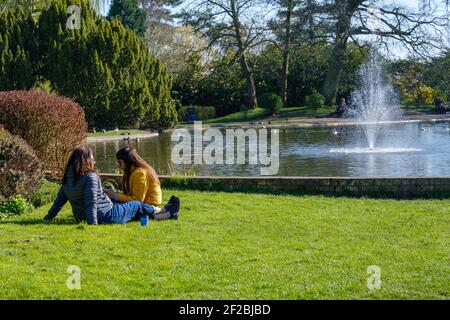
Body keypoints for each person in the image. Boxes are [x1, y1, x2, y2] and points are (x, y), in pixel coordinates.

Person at [44, 147, 179, 225]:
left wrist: (48, 218)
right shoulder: (91, 177)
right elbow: (92, 203)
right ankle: (164, 211)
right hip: (107, 215)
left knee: (131, 210)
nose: (94, 161)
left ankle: (167, 214)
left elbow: (58, 202)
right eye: (92, 158)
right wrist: (93, 224)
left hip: (81, 217)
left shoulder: (68, 178)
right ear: (86, 161)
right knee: (136, 206)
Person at [104, 146, 180, 220]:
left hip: (148, 204)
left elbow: (137, 201)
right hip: (144, 203)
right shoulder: (132, 171)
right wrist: (113, 194)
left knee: (117, 208)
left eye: (120, 162)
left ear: (127, 161)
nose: (119, 166)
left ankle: (164, 213)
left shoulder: (140, 173)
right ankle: (165, 212)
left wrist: (115, 195)